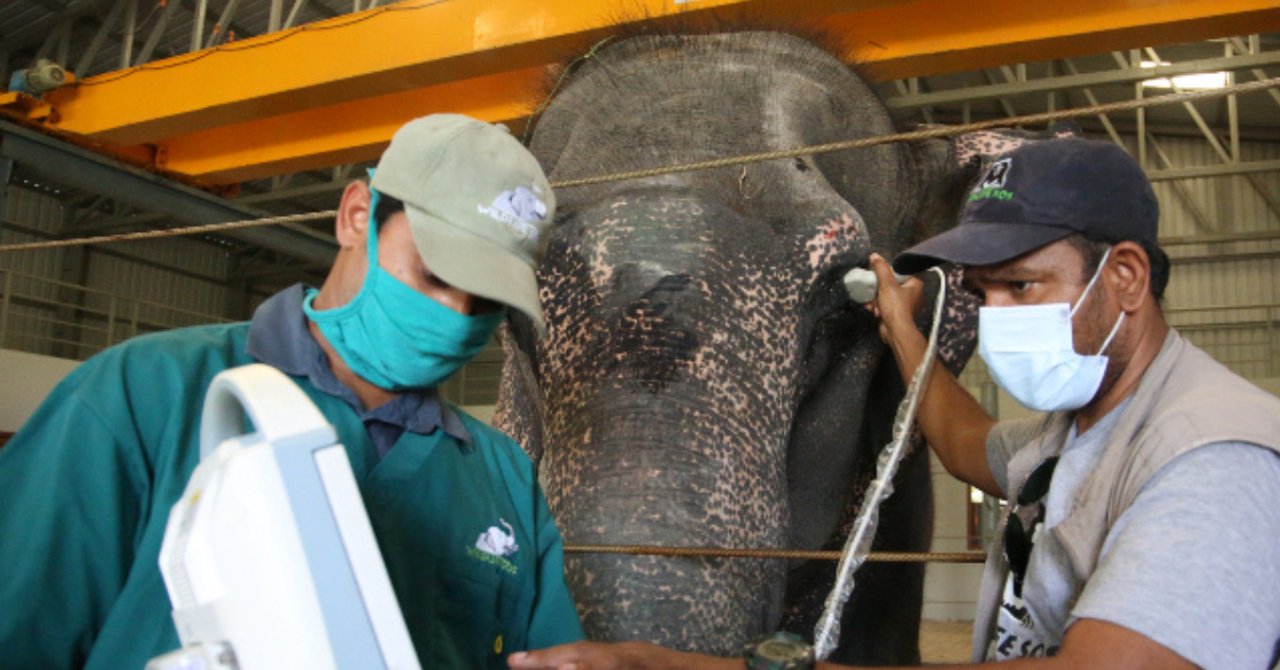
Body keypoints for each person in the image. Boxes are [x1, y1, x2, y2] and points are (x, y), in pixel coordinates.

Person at [507, 138, 1280, 670]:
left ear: (1127, 278)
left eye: (1024, 286)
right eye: (983, 293)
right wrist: (904, 331)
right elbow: (963, 441)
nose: (1002, 315)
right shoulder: (1083, 430)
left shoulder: (1212, 455)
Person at [0, 114, 584, 669]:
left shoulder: (503, 478)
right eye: (436, 274)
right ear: (357, 216)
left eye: (485, 302)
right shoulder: (142, 396)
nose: (456, 315)